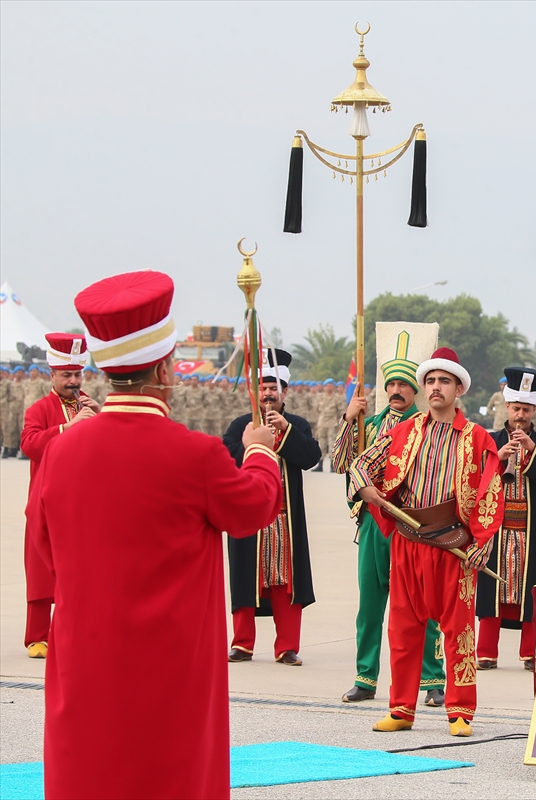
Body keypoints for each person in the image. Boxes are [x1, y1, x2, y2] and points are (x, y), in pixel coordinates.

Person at [33, 270, 282, 798]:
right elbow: (252, 510)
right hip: (169, 665)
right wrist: (260, 452)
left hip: (86, 653)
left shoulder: (62, 449)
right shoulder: (194, 454)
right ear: (166, 370)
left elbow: (45, 546)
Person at [348, 347, 502, 737]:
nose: (435, 388)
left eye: (443, 381)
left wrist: (483, 540)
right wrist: (365, 487)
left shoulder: (477, 437)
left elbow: (491, 488)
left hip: (454, 544)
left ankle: (461, 710)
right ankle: (401, 708)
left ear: (458, 389)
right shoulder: (403, 430)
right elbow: (361, 463)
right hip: (408, 539)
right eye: (430, 381)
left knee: (459, 629)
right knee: (403, 627)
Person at [331, 332, 446, 706]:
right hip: (370, 524)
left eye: (404, 385)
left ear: (416, 391)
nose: (396, 390)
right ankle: (365, 678)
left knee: (419, 603)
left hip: (408, 526)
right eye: (391, 384)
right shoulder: (369, 423)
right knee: (370, 602)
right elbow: (339, 465)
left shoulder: (426, 427)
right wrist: (349, 420)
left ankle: (432, 680)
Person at [223, 350, 322, 666]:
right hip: (250, 516)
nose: (268, 394)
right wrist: (254, 440)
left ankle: (287, 646)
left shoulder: (297, 424)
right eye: (263, 388)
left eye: (274, 388)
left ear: (285, 392)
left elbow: (310, 458)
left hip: (284, 519)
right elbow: (226, 460)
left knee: (286, 583)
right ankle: (242, 643)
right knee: (245, 578)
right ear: (255, 392)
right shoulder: (241, 424)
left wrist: (286, 432)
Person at [478, 367, 536, 669]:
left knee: (532, 591)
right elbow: (471, 479)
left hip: (533, 531)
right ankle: (486, 653)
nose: (521, 415)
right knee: (492, 587)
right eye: (516, 408)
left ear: (535, 409)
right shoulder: (489, 440)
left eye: (527, 409)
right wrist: (498, 457)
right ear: (506, 406)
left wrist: (533, 452)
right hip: (496, 529)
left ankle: (531, 653)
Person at [19, 333, 101, 658]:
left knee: (79, 571)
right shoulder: (39, 409)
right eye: (66, 375)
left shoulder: (90, 406)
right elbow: (29, 443)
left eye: (77, 375)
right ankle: (37, 636)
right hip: (46, 500)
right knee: (41, 569)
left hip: (81, 503)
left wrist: (104, 416)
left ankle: (75, 633)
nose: (73, 381)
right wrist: (68, 428)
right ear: (52, 375)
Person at [313, 378, 345, 471]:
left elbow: (341, 411)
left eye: (330, 385)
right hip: (322, 423)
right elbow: (316, 409)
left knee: (332, 445)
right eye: (326, 385)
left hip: (332, 424)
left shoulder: (336, 398)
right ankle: (320, 465)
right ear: (324, 387)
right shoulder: (320, 397)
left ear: (333, 387)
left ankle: (332, 465)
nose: (328, 387)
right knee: (321, 444)